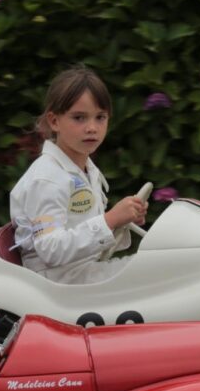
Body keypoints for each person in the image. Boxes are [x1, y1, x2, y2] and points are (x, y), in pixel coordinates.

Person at [10, 66, 147, 284]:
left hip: (86, 272)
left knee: (162, 266)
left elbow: (87, 239)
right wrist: (109, 220)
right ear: (54, 121)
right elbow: (50, 250)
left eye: (100, 117)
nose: (92, 127)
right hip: (60, 287)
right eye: (79, 118)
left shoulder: (85, 168)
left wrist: (122, 221)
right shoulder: (46, 179)